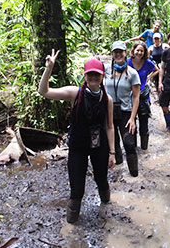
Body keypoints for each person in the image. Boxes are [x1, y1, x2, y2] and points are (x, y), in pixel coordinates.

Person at [38, 50, 115, 224]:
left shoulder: (107, 99)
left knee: (101, 177)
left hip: (99, 145)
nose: (93, 78)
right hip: (78, 146)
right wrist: (48, 68)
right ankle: (72, 223)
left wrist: (112, 152)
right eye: (90, 75)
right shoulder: (75, 93)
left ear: (102, 76)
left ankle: (106, 204)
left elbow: (109, 126)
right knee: (77, 187)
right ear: (85, 76)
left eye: (97, 75)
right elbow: (44, 91)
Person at [104, 41, 140, 177]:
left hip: (126, 111)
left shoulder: (132, 73)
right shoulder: (106, 71)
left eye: (121, 51)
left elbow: (136, 97)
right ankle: (118, 164)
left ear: (125, 53)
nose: (118, 54)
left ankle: (134, 174)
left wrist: (132, 118)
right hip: (109, 111)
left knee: (129, 143)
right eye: (115, 52)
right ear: (112, 54)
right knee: (113, 140)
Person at [128, 41, 158, 150]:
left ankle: (144, 149)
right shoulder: (128, 62)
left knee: (144, 121)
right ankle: (133, 147)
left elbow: (156, 70)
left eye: (142, 50)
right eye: (137, 50)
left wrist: (148, 79)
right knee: (131, 121)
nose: (139, 52)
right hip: (130, 94)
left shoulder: (147, 62)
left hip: (143, 94)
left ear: (144, 52)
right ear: (133, 51)